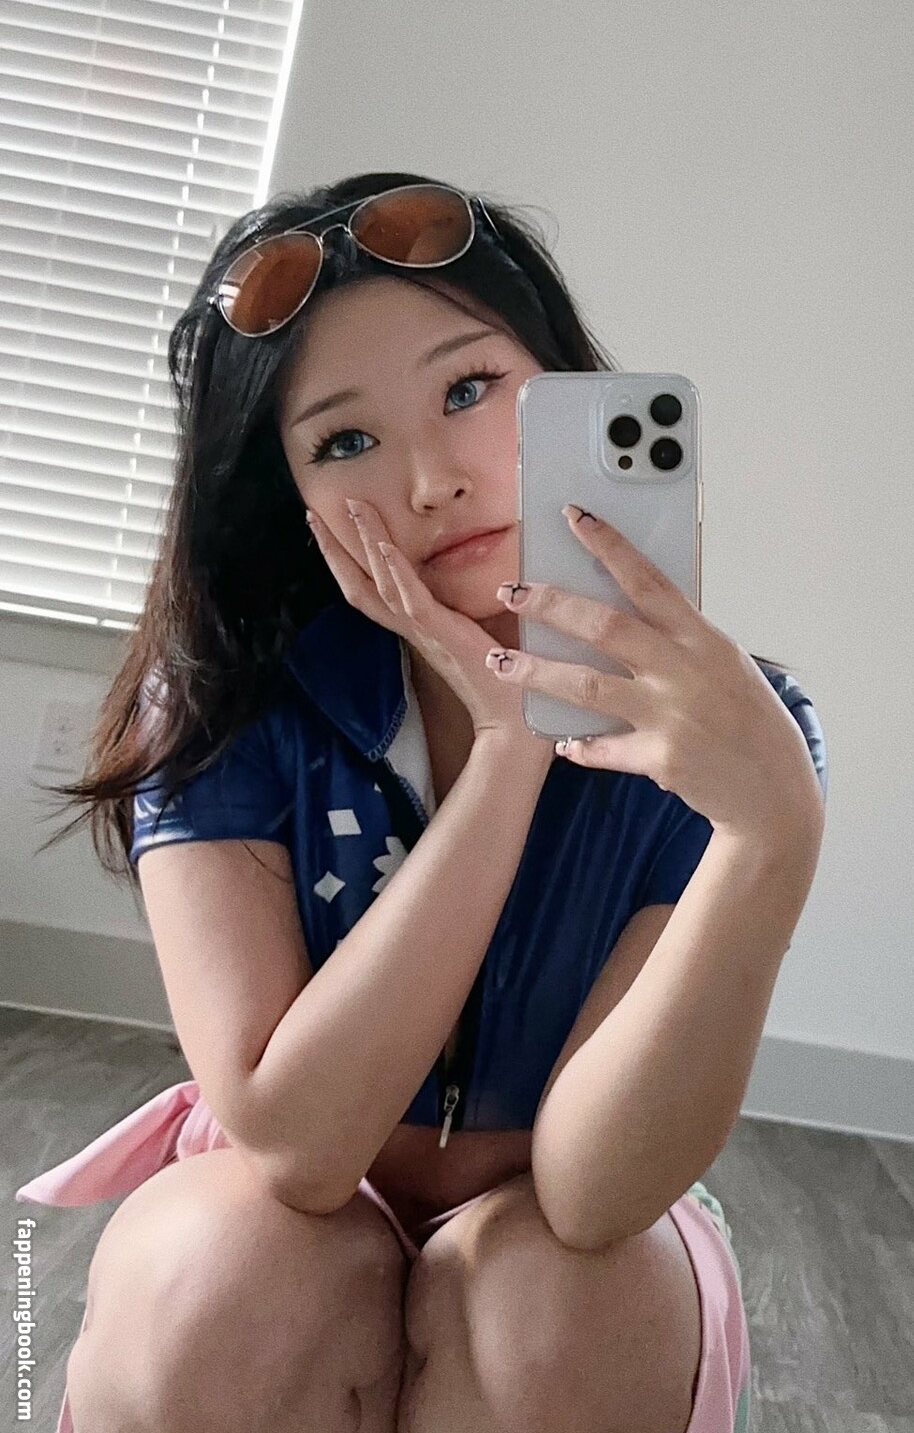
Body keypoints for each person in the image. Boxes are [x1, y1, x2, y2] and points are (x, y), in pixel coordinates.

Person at [16, 173, 828, 1433]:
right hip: (285, 1199)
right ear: (286, 501)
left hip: (561, 1228)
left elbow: (593, 1194)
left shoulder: (726, 734)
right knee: (224, 1277)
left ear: (564, 393)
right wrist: (506, 751)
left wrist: (769, 838)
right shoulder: (227, 706)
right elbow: (298, 1148)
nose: (432, 479)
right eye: (345, 442)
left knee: (562, 1305)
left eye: (468, 390)